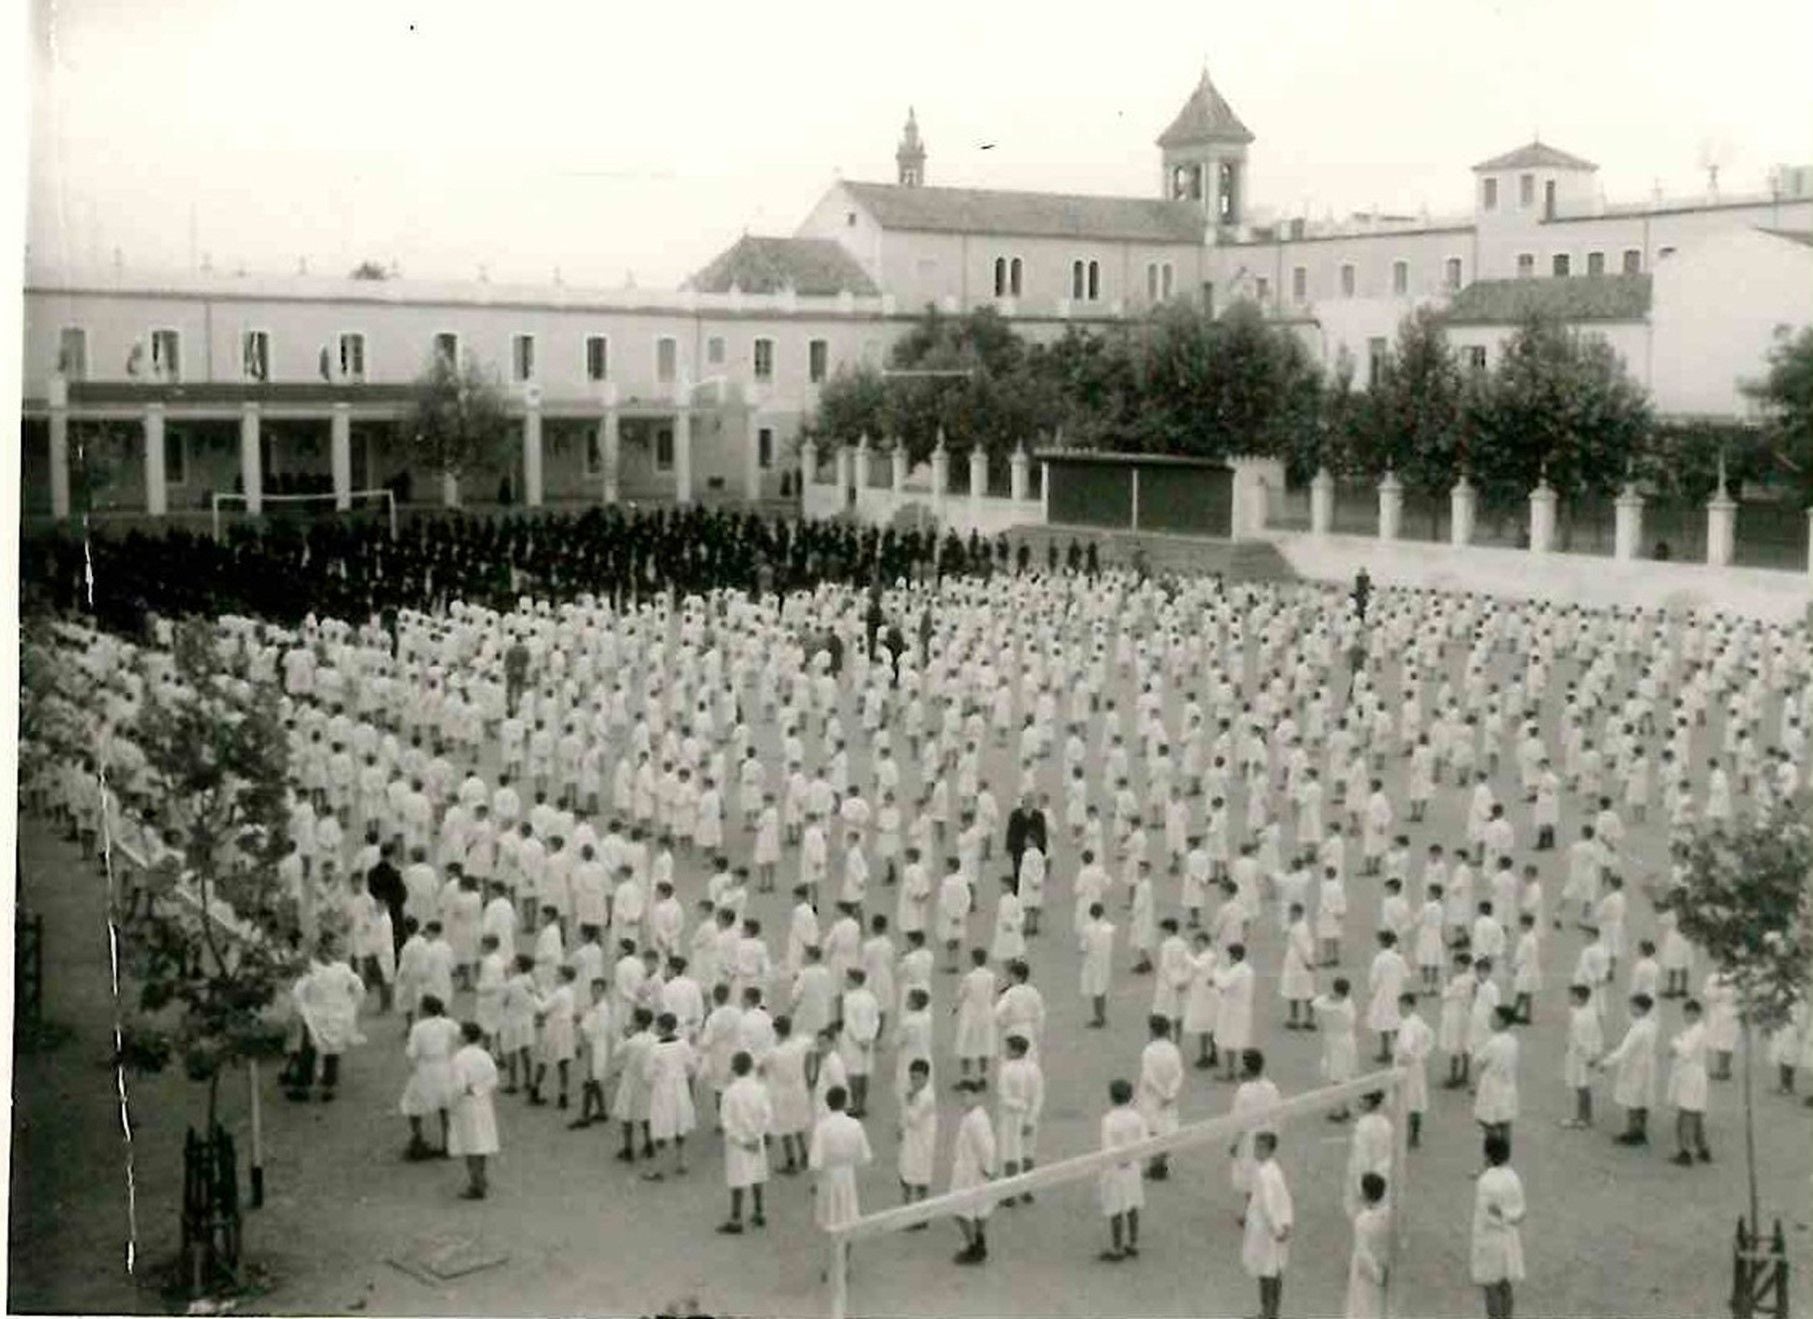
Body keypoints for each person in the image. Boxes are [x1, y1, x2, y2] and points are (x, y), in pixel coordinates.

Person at [808, 1084, 873, 1260]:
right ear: (845, 1102)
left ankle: (831, 1262)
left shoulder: (822, 1127)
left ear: (828, 1104)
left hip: (828, 1178)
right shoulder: (855, 1125)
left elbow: (815, 1161)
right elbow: (865, 1157)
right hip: (847, 1177)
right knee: (847, 1219)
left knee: (829, 1220)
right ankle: (844, 1261)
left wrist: (815, 1182)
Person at [399, 994, 460, 1159]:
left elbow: (412, 1053)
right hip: (446, 1066)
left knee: (413, 1105)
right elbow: (459, 1040)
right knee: (445, 1107)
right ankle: (448, 1145)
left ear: (425, 1009)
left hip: (426, 1067)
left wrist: (413, 1067)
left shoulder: (418, 1027)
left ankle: (418, 1138)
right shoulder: (450, 1024)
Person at [1471, 1133, 1525, 1319]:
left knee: (1490, 1286)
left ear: (1487, 1155)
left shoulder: (1485, 1181)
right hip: (1510, 1238)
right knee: (1505, 1283)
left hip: (1490, 1240)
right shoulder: (1514, 1177)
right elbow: (1520, 1212)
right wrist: (1508, 1218)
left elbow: (1485, 1215)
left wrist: (1500, 1216)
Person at [718, 1051, 773, 1233]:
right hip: (756, 1140)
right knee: (757, 1175)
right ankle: (759, 1211)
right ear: (751, 1067)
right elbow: (767, 1116)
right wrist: (758, 1135)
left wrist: (742, 1140)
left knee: (737, 1179)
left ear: (734, 1068)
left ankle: (736, 1218)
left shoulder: (729, 1093)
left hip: (738, 1143)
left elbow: (726, 1122)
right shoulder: (760, 1089)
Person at [1242, 1130, 1293, 1319]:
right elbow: (1285, 1199)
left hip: (1266, 1232)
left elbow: (1269, 1205)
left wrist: (1277, 1228)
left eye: (1258, 1147)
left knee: (1266, 1274)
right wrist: (1286, 1224)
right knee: (1273, 1271)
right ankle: (1271, 1311)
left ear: (1266, 1149)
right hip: (1274, 1230)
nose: (1255, 1150)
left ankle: (1268, 1312)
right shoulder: (1274, 1169)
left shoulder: (1264, 1174)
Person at [1597, 992, 1659, 1146]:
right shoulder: (1651, 1024)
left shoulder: (1638, 1029)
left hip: (1635, 1067)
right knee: (1642, 1099)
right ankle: (1641, 1131)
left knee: (1632, 1101)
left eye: (1633, 1006)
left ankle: (1632, 1133)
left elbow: (1625, 1050)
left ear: (1640, 1008)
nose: (1630, 1009)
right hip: (1647, 1065)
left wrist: (1606, 1062)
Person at [1097, 1078, 1147, 1263]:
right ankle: (1133, 1242)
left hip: (1115, 1167)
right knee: (1133, 1204)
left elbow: (1107, 1146)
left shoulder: (1108, 1120)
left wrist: (1117, 1160)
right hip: (1133, 1165)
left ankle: (1117, 1246)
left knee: (1116, 1207)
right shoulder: (1138, 1117)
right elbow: (1144, 1141)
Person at [448, 1021, 500, 1200]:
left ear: (464, 1036)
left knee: (470, 1144)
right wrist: (479, 1090)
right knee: (482, 1142)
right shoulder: (485, 1055)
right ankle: (482, 1177)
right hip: (483, 1103)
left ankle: (476, 1184)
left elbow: (459, 1085)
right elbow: (493, 1079)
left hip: (467, 1104)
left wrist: (452, 1101)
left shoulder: (459, 1058)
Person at [948, 1097, 998, 1265]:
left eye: (968, 1093)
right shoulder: (973, 1116)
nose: (964, 1098)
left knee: (960, 1209)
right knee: (978, 1209)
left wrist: (988, 1168)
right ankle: (978, 1240)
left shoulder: (976, 1120)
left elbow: (986, 1146)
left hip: (971, 1172)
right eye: (962, 1093)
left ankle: (974, 1245)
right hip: (971, 1170)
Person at [1136, 1014, 1185, 1179]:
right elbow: (1179, 1073)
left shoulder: (1149, 1051)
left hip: (1153, 1095)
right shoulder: (1173, 1049)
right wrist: (1171, 1093)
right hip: (1168, 1095)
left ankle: (1155, 1164)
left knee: (1153, 1130)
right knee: (1167, 1126)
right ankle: (1162, 1162)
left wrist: (1162, 1093)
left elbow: (1149, 1077)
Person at [1666, 998, 1713, 1165]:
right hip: (1688, 1074)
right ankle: (1702, 1148)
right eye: (1687, 1013)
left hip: (1692, 1075)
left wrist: (1674, 1042)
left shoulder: (1697, 1031)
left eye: (1693, 1013)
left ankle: (1685, 1152)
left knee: (1686, 1115)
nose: (1689, 1016)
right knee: (1694, 1113)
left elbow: (1686, 1051)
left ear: (1699, 1014)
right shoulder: (1691, 1030)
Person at [1345, 1171, 1391, 1319]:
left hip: (1365, 1274)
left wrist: (1377, 1274)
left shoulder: (1362, 1221)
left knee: (1361, 1308)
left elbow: (1363, 1253)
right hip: (1381, 1266)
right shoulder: (1387, 1215)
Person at [897, 1057, 937, 1217]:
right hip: (911, 1141)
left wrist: (908, 1102)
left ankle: (922, 1214)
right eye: (912, 1077)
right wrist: (901, 1127)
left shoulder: (927, 1097)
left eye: (918, 1078)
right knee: (906, 1175)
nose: (914, 1081)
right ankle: (907, 1210)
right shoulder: (915, 1093)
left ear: (926, 1077)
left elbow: (914, 1119)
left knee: (920, 1178)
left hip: (922, 1143)